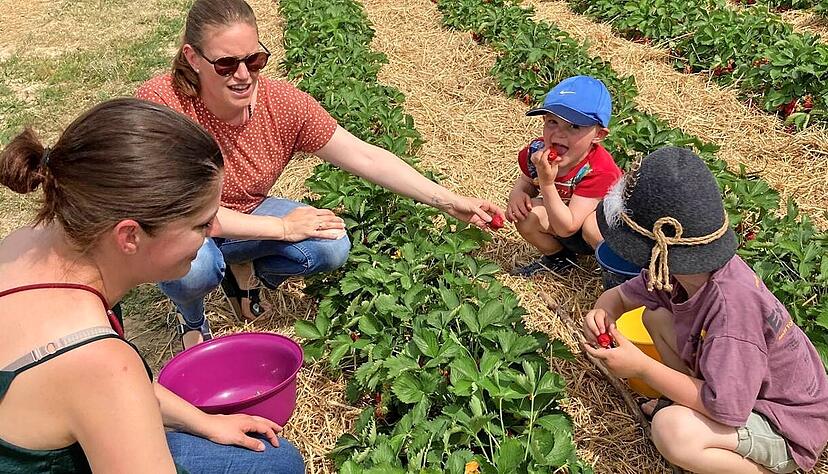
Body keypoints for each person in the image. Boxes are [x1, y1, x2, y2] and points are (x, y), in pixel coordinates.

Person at [135, 0, 504, 349]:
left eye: (255, 59)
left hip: (244, 215)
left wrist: (448, 200)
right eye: (226, 64)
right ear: (193, 58)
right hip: (186, 225)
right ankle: (193, 316)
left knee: (330, 243)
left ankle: (245, 269)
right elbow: (178, 213)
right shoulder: (164, 106)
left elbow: (365, 156)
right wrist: (282, 228)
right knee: (193, 267)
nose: (244, 75)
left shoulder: (280, 103)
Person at [0, 98, 304, 473]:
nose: (212, 233)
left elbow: (101, 393)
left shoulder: (29, 244)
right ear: (129, 236)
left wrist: (205, 423)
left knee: (274, 459)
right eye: (200, 225)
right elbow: (103, 383)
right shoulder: (102, 365)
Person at [582, 147, 828, 473]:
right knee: (653, 316)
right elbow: (621, 297)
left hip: (782, 424)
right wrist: (604, 311)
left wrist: (641, 367)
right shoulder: (677, 271)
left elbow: (727, 409)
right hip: (736, 389)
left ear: (661, 249)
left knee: (672, 432)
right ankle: (689, 407)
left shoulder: (732, 313)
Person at [506, 75, 622, 277]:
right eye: (552, 122)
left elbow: (567, 227)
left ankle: (617, 271)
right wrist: (517, 194)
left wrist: (547, 183)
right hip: (561, 219)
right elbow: (526, 180)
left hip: (597, 230)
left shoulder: (600, 171)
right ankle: (560, 258)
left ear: (598, 135)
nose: (559, 134)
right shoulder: (536, 152)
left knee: (592, 228)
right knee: (527, 216)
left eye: (574, 126)